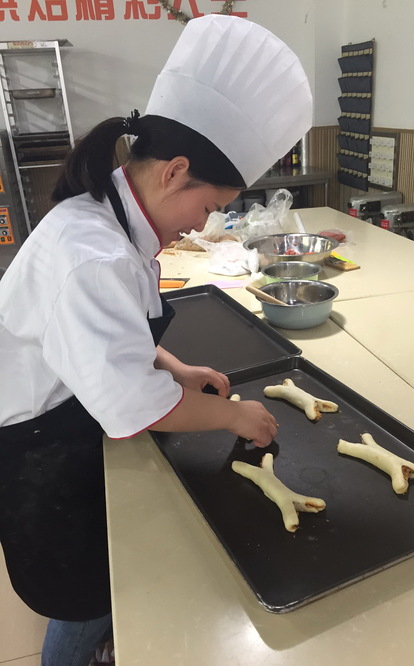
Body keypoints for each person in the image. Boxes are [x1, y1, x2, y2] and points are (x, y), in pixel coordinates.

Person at [0, 14, 312, 666]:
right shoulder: (92, 254)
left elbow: (119, 339)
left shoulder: (117, 223)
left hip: (70, 414)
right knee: (86, 594)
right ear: (174, 173)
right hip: (39, 447)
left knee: (106, 572)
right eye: (208, 208)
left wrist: (177, 366)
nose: (201, 225)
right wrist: (234, 416)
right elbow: (134, 408)